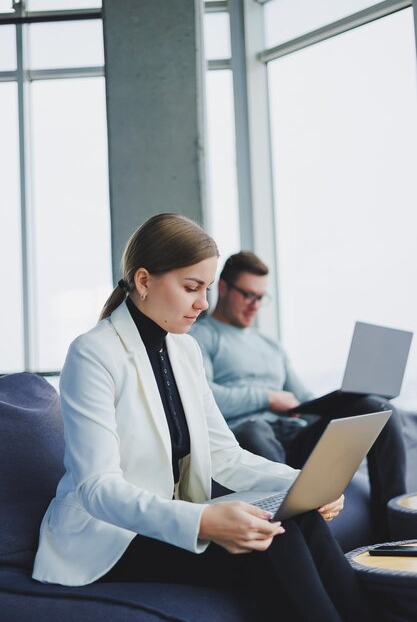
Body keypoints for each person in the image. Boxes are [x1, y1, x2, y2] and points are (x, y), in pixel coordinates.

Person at [32, 214, 373, 621]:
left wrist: (303, 485)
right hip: (110, 536)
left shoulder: (184, 351)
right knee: (275, 541)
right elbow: (97, 489)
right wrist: (203, 521)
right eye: (191, 287)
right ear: (143, 281)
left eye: (206, 288)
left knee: (298, 519)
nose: (204, 303)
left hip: (170, 516)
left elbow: (225, 455)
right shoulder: (93, 354)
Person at [190, 250, 406, 542]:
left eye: (261, 298)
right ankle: (294, 539)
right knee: (256, 429)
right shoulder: (200, 337)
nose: (255, 305)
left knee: (376, 409)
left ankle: (395, 531)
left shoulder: (271, 347)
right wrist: (267, 398)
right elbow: (205, 397)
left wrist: (341, 400)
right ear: (225, 288)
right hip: (247, 438)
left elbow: (303, 401)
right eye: (248, 295)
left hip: (294, 437)